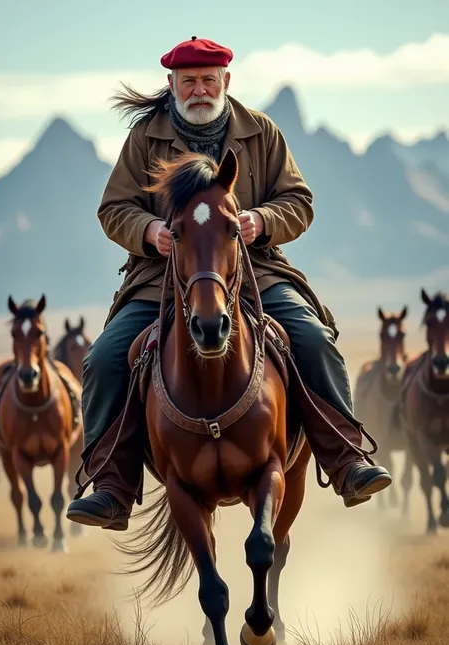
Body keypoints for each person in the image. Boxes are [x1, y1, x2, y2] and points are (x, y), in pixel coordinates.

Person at [66, 36, 391, 531]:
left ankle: (346, 458)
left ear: (226, 82)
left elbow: (298, 201)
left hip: (255, 270)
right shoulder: (144, 138)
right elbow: (114, 208)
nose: (199, 90)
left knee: (311, 337)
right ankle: (112, 486)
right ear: (173, 85)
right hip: (163, 276)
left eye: (208, 80)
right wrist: (149, 231)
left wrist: (261, 220)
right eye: (189, 81)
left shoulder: (262, 132)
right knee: (105, 357)